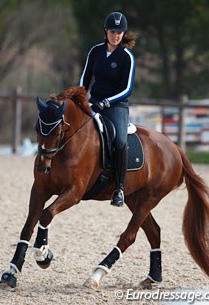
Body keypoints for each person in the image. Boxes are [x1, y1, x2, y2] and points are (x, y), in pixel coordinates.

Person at [80, 11, 136, 207]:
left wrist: (106, 103)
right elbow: (85, 78)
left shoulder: (127, 57)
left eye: (119, 32)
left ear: (123, 34)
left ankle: (119, 188)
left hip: (116, 106)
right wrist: (81, 97)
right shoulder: (95, 51)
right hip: (93, 102)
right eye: (112, 31)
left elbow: (127, 89)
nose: (116, 35)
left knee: (120, 140)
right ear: (106, 31)